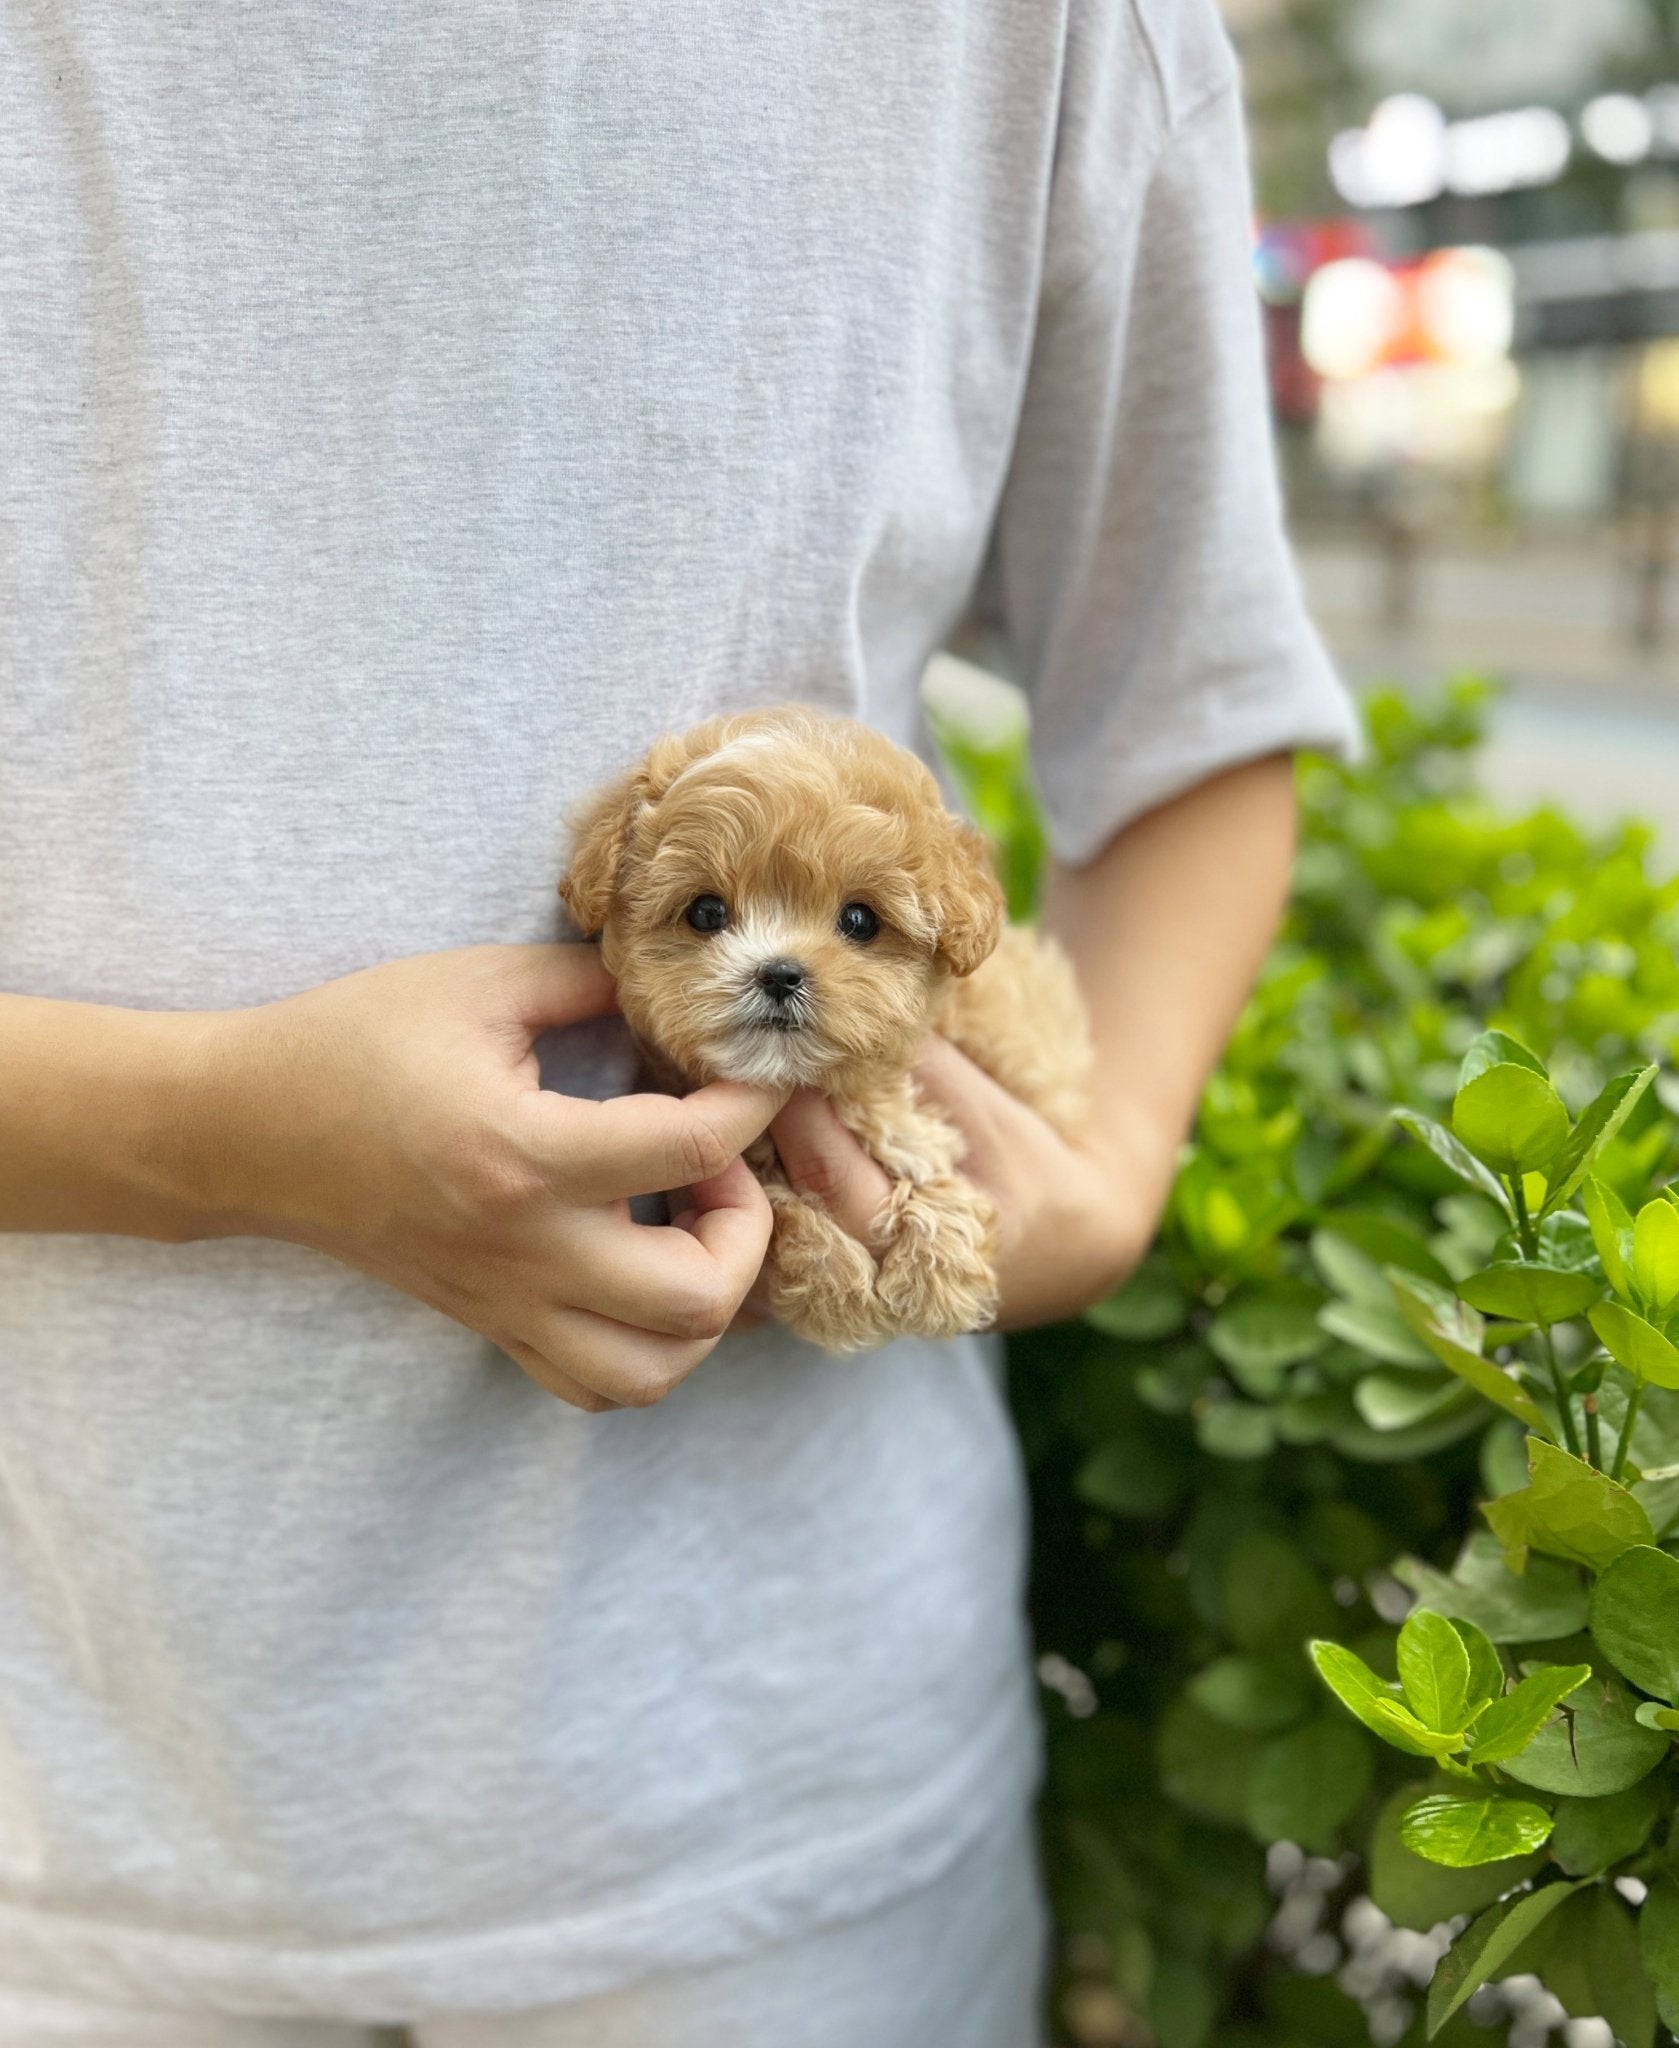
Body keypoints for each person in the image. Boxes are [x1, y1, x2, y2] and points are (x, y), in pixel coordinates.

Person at [0, 0, 1357, 2042]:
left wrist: (1105, 1172)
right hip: (65, 1770)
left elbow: (1196, 710)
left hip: (778, 1780)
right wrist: (203, 1130)